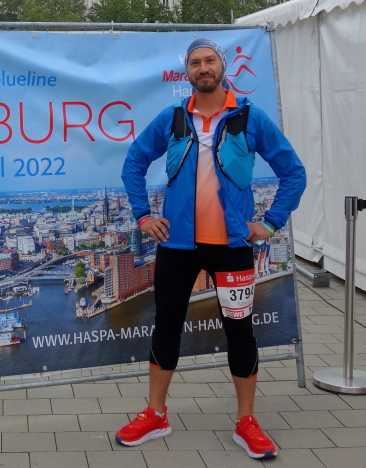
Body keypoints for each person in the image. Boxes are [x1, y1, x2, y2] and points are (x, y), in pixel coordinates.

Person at [117, 38, 306, 459]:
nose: (203, 68)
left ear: (222, 67)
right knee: (166, 326)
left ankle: (246, 421)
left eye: (209, 60)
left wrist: (270, 223)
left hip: (231, 245)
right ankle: (155, 414)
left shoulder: (249, 117)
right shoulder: (173, 117)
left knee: (240, 331)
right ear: (187, 72)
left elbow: (293, 172)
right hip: (177, 246)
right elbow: (134, 161)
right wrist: (143, 217)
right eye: (195, 63)